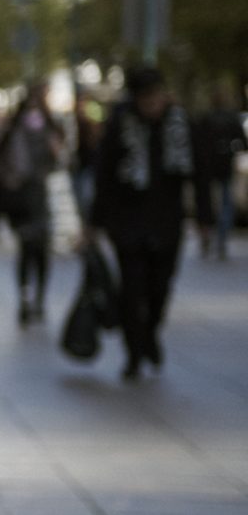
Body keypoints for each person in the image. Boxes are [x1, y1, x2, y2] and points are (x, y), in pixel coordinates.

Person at [90, 66, 193, 381]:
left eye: (156, 96)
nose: (153, 104)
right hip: (128, 223)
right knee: (132, 291)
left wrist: (204, 218)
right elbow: (104, 176)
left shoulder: (178, 123)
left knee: (160, 288)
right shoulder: (120, 125)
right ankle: (134, 352)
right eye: (146, 98)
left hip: (167, 223)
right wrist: (93, 223)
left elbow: (196, 170)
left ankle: (149, 334)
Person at [0, 82, 63, 324]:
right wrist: (8, 180)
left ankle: (38, 299)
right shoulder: (13, 130)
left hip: (43, 195)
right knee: (27, 249)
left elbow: (62, 161)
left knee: (40, 250)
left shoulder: (51, 128)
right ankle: (25, 298)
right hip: (22, 199)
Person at [192, 85, 240, 260]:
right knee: (225, 203)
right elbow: (241, 140)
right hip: (223, 166)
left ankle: (210, 234)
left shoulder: (206, 118)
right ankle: (221, 237)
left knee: (209, 202)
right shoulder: (231, 118)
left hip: (209, 167)